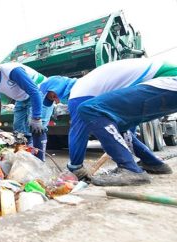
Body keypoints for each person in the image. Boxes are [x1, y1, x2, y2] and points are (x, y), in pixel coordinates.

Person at [40, 58, 177, 184]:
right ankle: (153, 163)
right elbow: (124, 129)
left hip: (168, 81)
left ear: (57, 87)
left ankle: (130, 170)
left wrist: (74, 167)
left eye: (53, 96)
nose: (57, 101)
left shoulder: (79, 91)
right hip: (167, 87)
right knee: (119, 125)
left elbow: (77, 132)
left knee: (87, 109)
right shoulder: (91, 84)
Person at [0, 52, 53, 161]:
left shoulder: (13, 71)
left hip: (40, 92)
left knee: (37, 128)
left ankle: (39, 162)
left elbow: (35, 92)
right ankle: (26, 159)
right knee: (19, 131)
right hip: (21, 99)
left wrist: (37, 117)